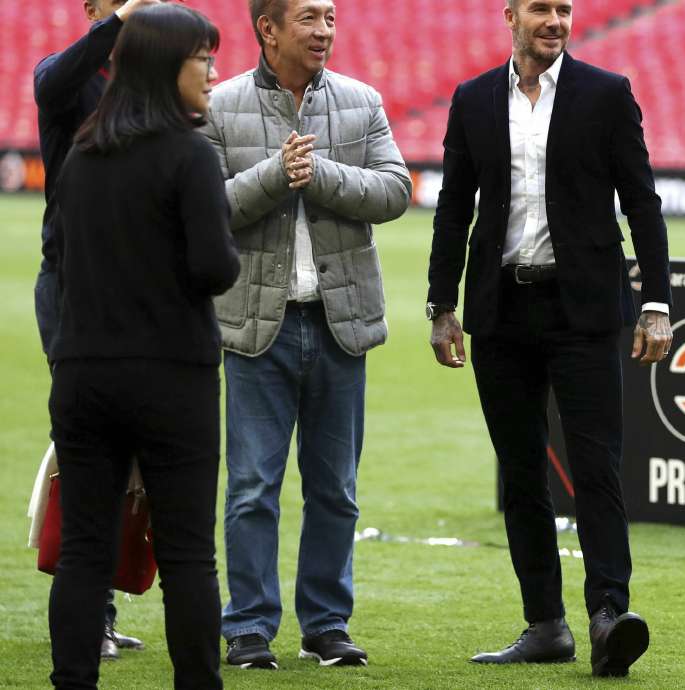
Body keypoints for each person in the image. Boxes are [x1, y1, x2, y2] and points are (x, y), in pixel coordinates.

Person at [426, 0, 673, 678]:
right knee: (523, 474)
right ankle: (545, 625)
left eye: (564, 8)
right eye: (541, 7)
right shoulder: (474, 99)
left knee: (595, 468)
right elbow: (454, 205)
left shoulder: (606, 94)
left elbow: (642, 201)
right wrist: (440, 304)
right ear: (510, 14)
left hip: (585, 309)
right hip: (501, 310)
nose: (556, 20)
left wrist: (656, 303)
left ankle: (608, 616)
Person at [201, 0, 411, 670]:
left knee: (336, 489)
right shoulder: (220, 104)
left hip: (338, 321)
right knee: (252, 487)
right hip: (254, 326)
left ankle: (326, 625)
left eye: (330, 18)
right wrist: (273, 176)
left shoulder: (363, 99)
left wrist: (317, 174)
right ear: (268, 28)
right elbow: (204, 211)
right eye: (309, 19)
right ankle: (249, 629)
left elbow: (395, 191)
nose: (324, 31)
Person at [47, 4, 237, 688]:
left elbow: (63, 259)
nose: (213, 72)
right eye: (203, 59)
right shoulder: (191, 153)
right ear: (167, 67)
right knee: (188, 557)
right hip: (170, 373)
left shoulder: (80, 156)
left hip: (82, 372)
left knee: (83, 553)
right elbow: (215, 269)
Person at [33, 0, 162, 661]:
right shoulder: (68, 76)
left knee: (129, 456)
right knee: (89, 454)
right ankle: (88, 617)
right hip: (75, 290)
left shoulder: (152, 88)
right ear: (90, 10)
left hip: (138, 293)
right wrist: (119, 22)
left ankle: (102, 609)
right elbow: (51, 82)